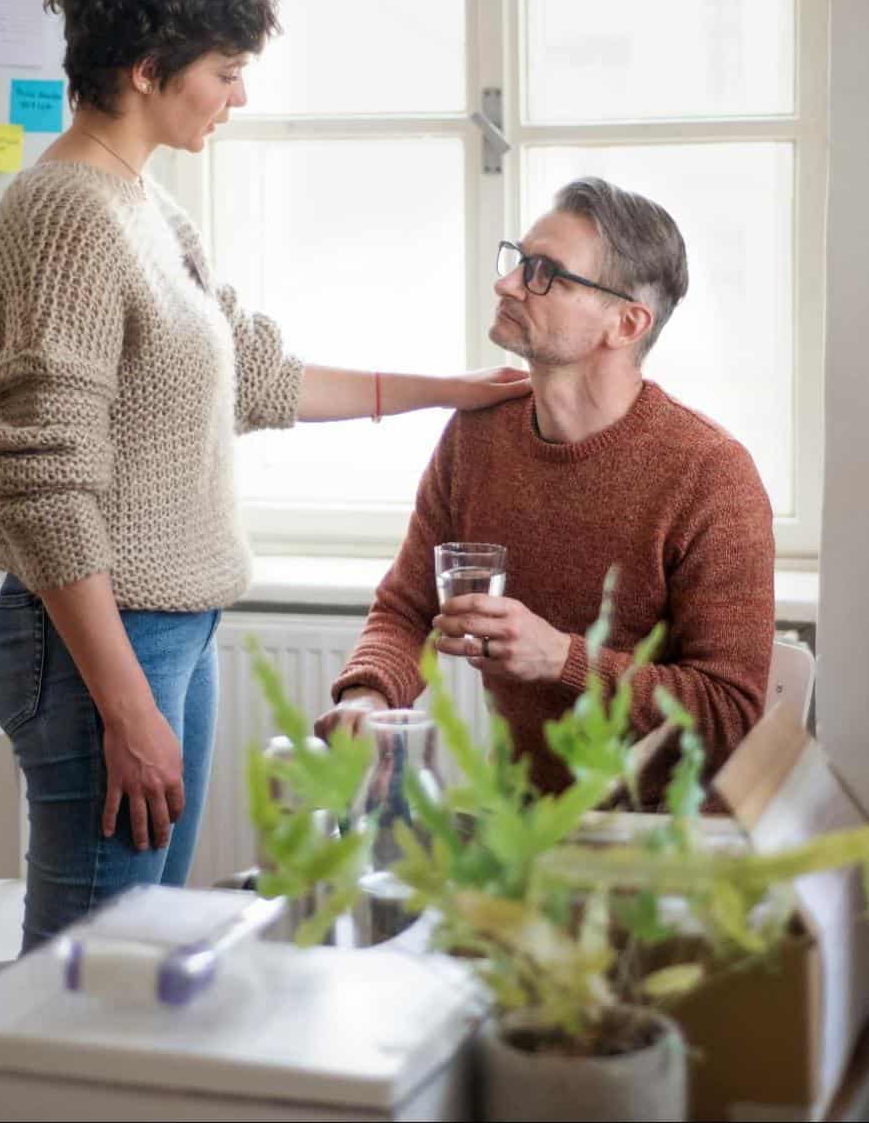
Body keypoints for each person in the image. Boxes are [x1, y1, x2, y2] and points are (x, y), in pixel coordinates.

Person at [0, 0, 529, 950]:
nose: (239, 95)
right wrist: (126, 708)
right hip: (100, 637)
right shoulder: (66, 219)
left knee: (149, 947)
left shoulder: (143, 208)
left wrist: (452, 391)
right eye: (224, 71)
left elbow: (255, 374)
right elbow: (38, 482)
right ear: (145, 71)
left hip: (171, 627)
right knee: (87, 974)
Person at [315, 178, 776, 804]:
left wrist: (562, 657)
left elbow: (728, 714)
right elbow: (407, 608)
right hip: (519, 816)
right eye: (518, 260)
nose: (508, 284)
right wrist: (369, 697)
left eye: (545, 273)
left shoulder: (711, 474)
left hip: (658, 838)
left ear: (626, 322)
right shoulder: (478, 435)